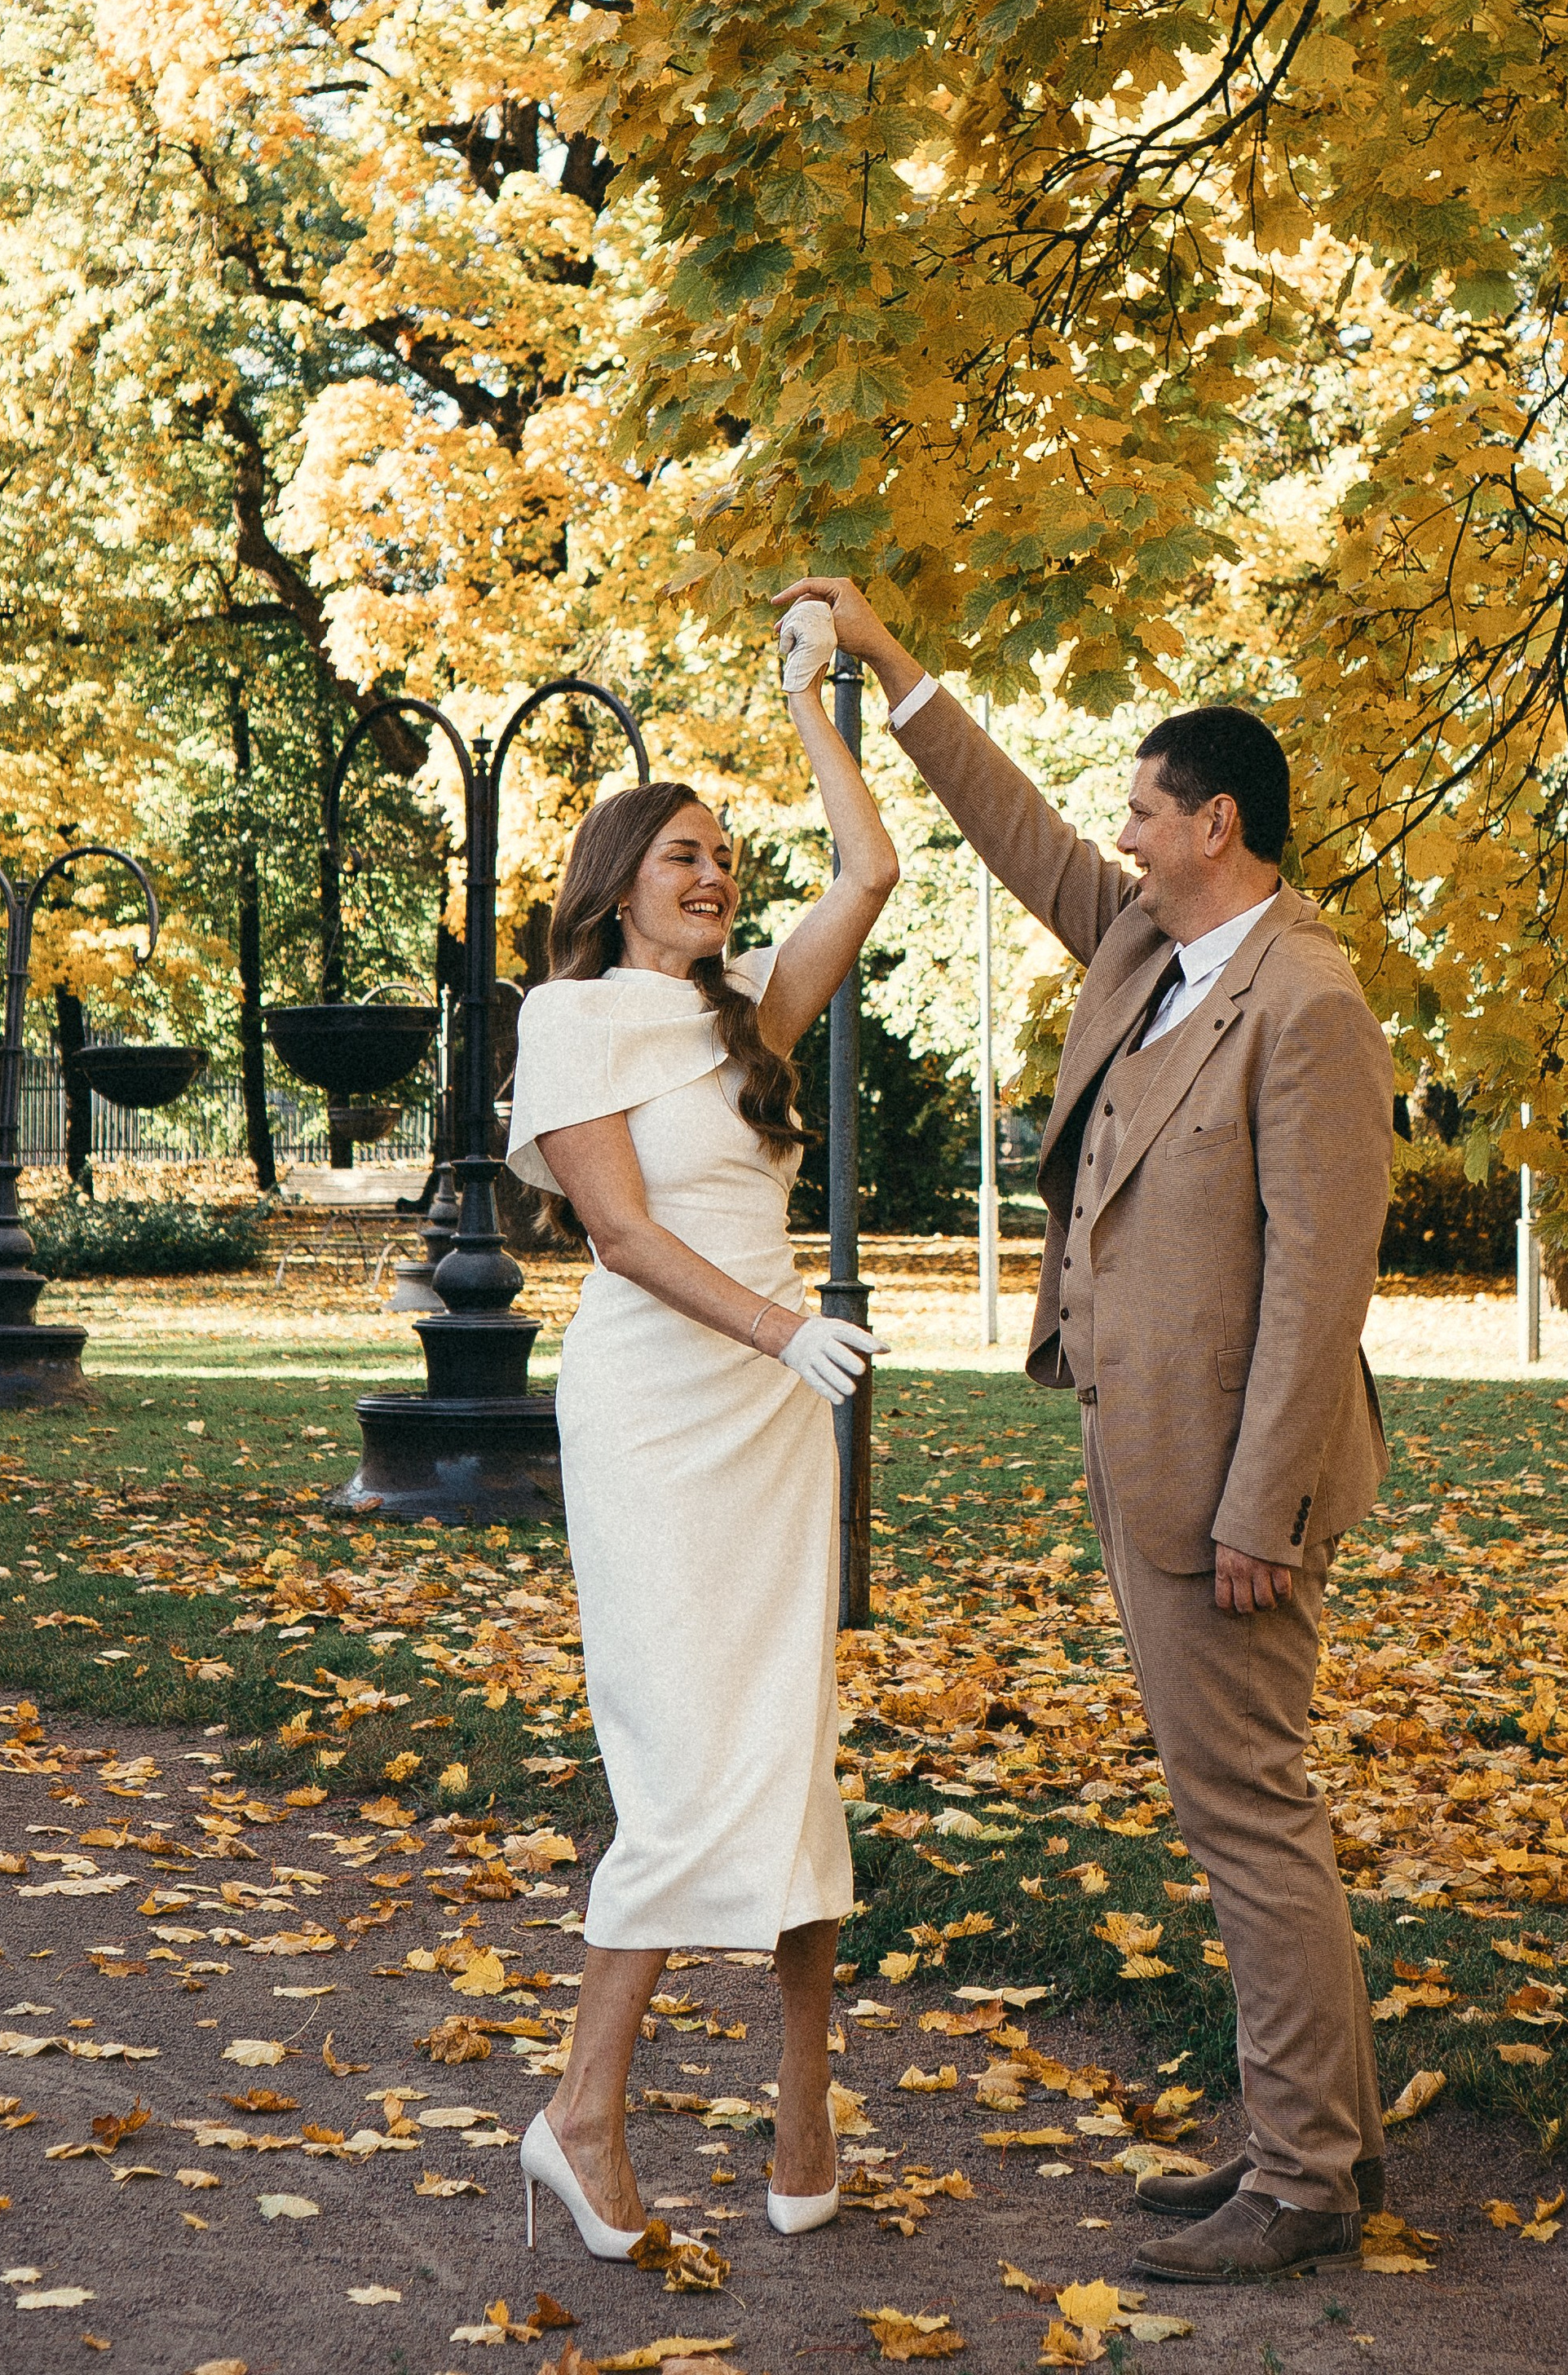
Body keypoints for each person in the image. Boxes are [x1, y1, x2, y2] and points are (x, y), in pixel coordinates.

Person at [774, 575, 1396, 2284]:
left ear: (1214, 823)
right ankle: (1307, 2146)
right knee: (1231, 1807)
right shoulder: (1149, 948)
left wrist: (1261, 1506)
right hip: (1137, 1451)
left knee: (1245, 1811)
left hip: (1230, 1489)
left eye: (1141, 807)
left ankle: (1303, 2181)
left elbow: (1314, 1294)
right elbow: (1011, 827)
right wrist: (895, 668)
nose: (1114, 834)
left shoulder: (1308, 1005)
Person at [502, 624, 896, 2260]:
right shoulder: (572, 1019)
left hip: (775, 1408)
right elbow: (612, 1234)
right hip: (670, 1402)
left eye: (729, 858)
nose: (718, 875)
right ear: (617, 879)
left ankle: (802, 2110)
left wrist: (815, 698)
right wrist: (781, 1329)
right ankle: (580, 2112)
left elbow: (865, 871)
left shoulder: (745, 1025)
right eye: (685, 855)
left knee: (784, 1742)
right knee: (682, 1761)